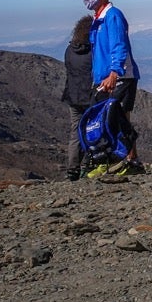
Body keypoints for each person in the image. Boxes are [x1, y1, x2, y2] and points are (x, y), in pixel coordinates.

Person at [75, 0, 144, 176]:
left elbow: (118, 45)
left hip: (120, 76)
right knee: (111, 118)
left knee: (117, 118)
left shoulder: (112, 16)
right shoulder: (98, 19)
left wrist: (114, 72)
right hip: (104, 77)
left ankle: (127, 161)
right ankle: (119, 160)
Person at [61, 15, 94, 180]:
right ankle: (89, 164)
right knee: (92, 130)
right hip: (90, 97)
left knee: (75, 132)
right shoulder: (94, 51)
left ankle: (72, 168)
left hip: (73, 97)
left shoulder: (69, 50)